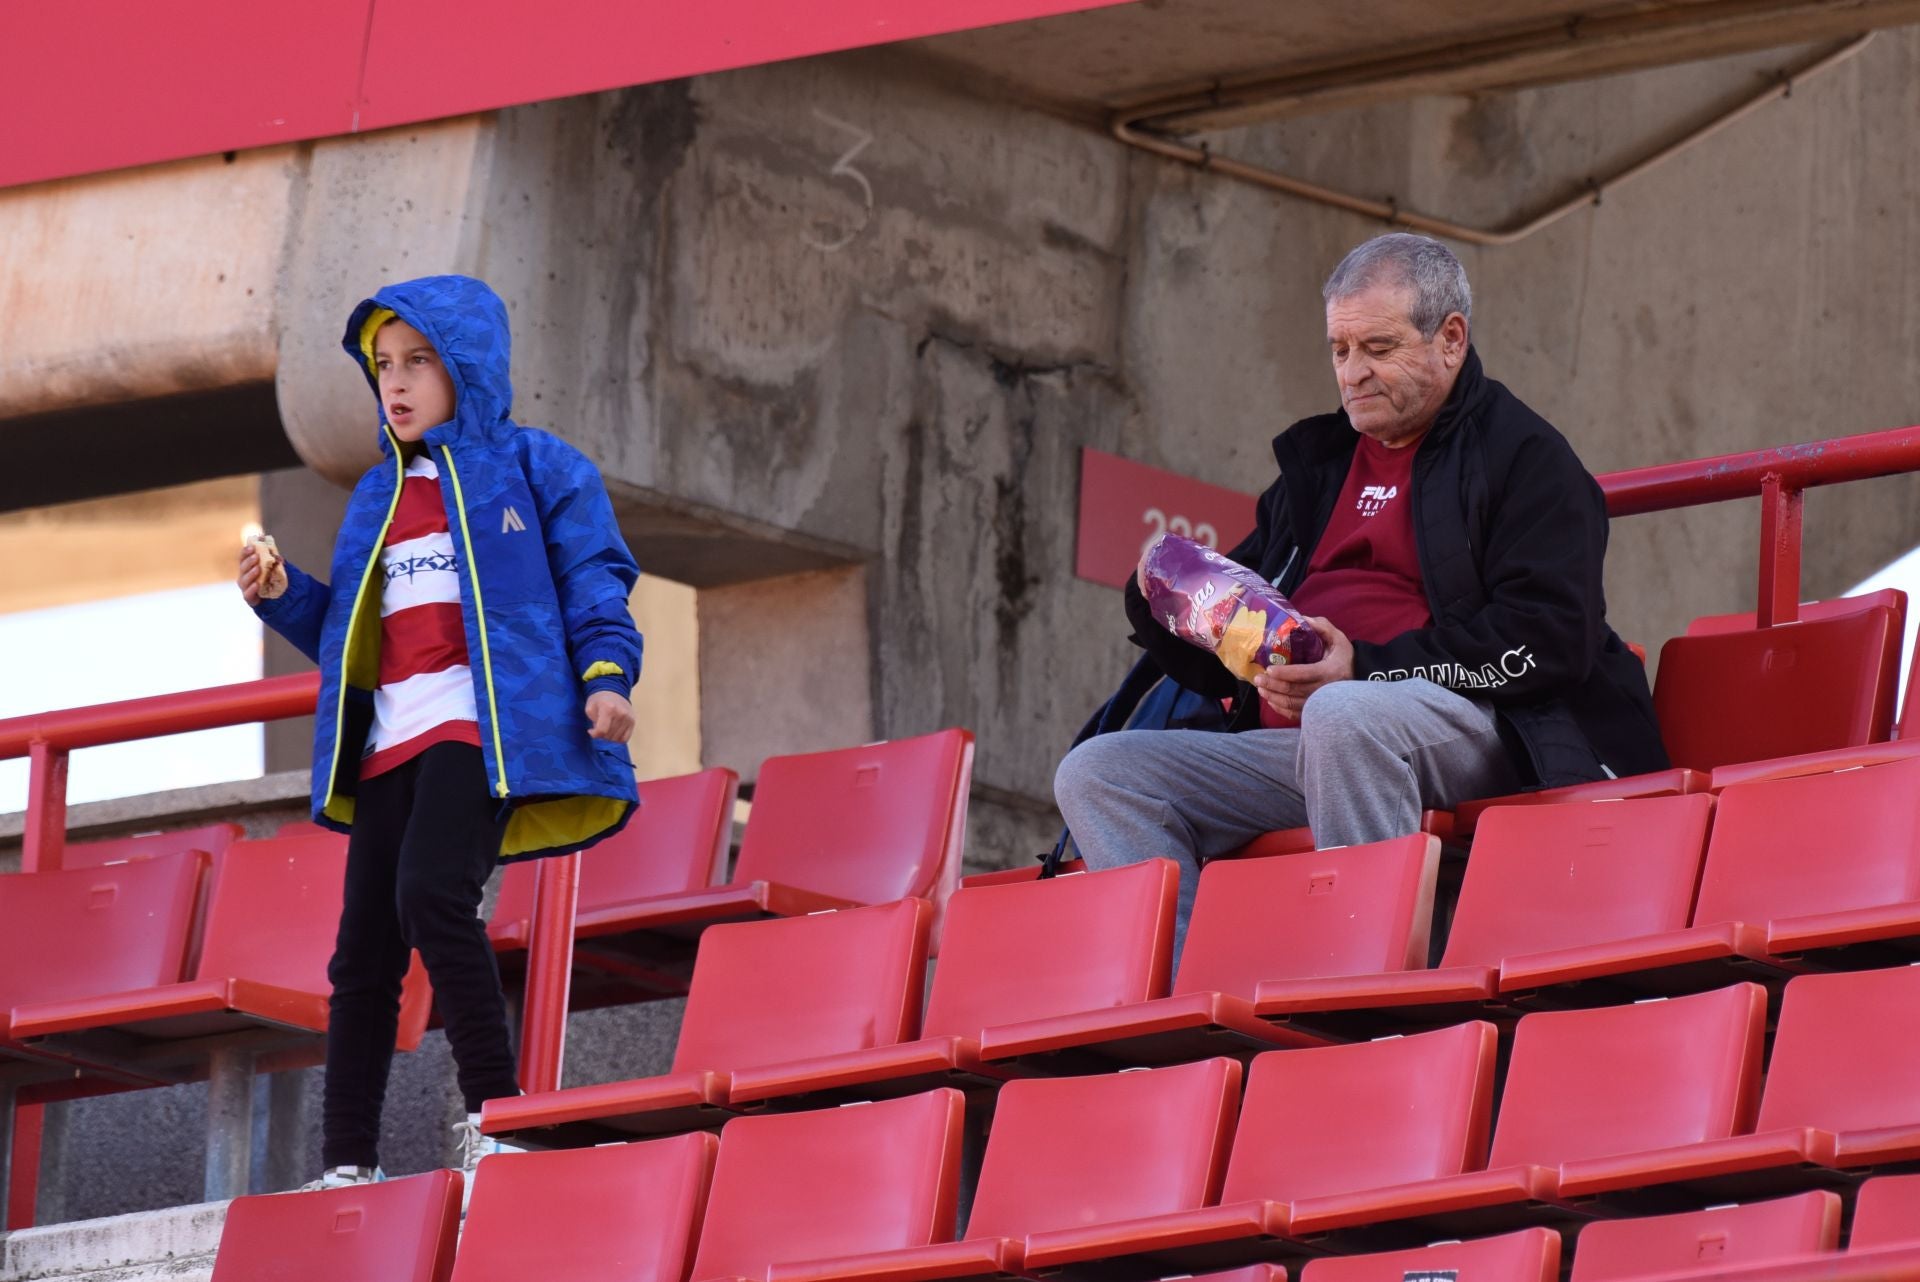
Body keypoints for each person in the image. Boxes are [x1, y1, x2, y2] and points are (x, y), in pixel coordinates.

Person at [1054, 233, 1667, 956]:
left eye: (1377, 347)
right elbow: (1228, 649)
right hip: (1312, 746)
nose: (1353, 373)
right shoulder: (1317, 472)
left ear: (1451, 339)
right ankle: (1185, 1009)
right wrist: (1169, 603)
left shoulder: (1526, 458)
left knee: (1346, 716)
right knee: (1100, 772)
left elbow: (1549, 640)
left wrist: (1366, 668)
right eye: (1340, 350)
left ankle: (1367, 997)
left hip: (1488, 730)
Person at [238, 274, 644, 1189]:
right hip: (388, 744)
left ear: (468, 366)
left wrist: (607, 677)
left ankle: (500, 1123)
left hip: (479, 732)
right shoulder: (375, 497)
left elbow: (594, 580)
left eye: (419, 361)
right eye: (384, 366)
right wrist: (282, 596)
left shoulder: (539, 467)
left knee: (431, 895)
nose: (398, 383)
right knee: (362, 956)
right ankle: (347, 1165)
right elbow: (351, 639)